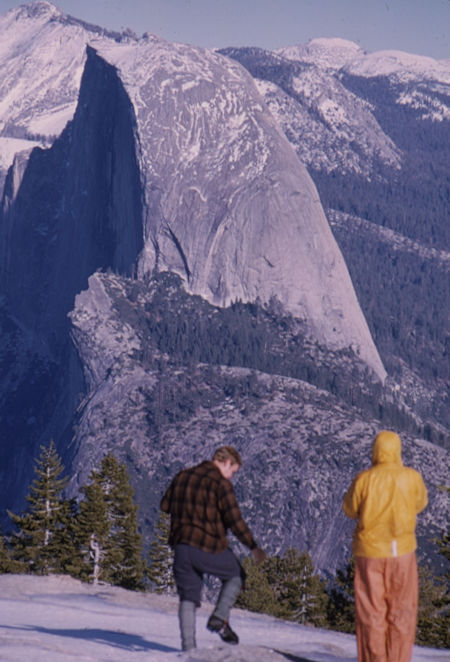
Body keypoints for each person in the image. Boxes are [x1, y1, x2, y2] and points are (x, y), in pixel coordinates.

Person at [160, 445, 266, 651]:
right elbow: (235, 521)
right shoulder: (220, 484)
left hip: (181, 546)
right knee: (236, 575)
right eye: (232, 471)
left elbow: (165, 506)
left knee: (188, 598)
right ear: (226, 462)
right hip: (208, 546)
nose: (231, 476)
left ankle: (188, 649)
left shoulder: (182, 476)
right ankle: (219, 617)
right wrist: (253, 547)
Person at [343, 429, 428, 662]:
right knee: (402, 612)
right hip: (402, 552)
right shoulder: (411, 477)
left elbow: (349, 509)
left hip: (369, 552)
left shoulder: (364, 479)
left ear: (375, 452)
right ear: (397, 451)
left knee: (371, 613)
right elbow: (420, 502)